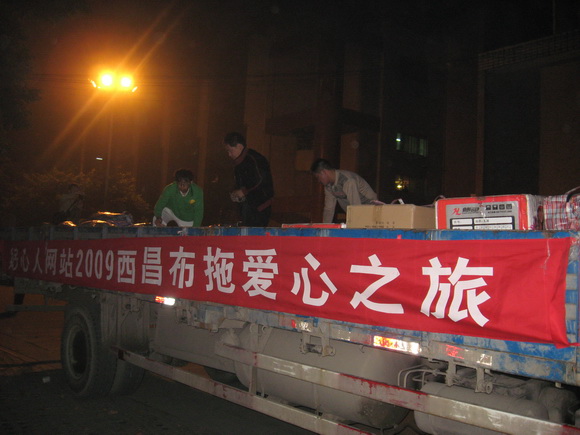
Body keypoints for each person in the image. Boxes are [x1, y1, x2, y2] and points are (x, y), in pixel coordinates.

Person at [224, 132, 274, 226]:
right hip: (248, 208)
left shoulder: (255, 159)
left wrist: (243, 192)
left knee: (254, 233)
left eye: (230, 150)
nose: (229, 154)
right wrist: (236, 193)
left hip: (260, 208)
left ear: (239, 146)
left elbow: (261, 181)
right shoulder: (238, 164)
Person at [311, 158, 378, 223]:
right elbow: (329, 209)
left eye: (318, 177)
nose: (319, 181)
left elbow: (356, 206)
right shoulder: (328, 186)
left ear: (323, 172)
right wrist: (325, 228)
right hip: (357, 212)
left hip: (371, 209)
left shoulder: (347, 181)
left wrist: (356, 225)